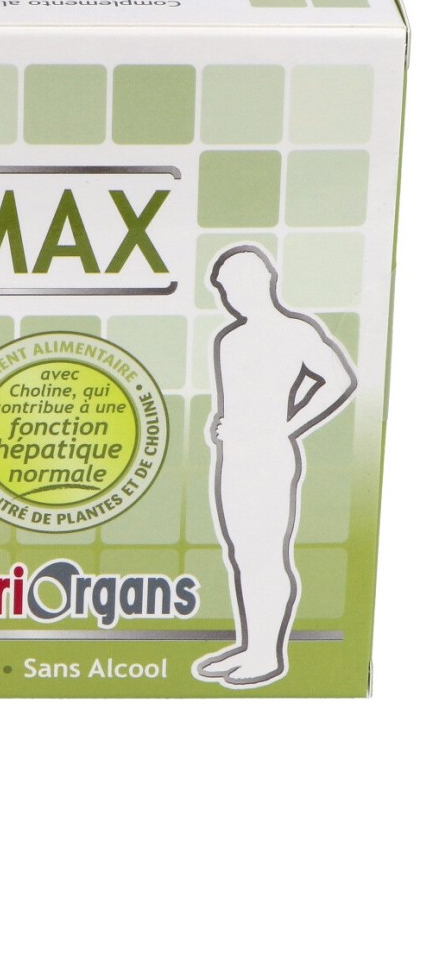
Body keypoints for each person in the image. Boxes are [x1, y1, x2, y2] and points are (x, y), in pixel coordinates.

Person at [195, 246, 356, 688]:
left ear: (262, 280)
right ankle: (251, 645)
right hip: (234, 457)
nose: (229, 298)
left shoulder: (295, 332)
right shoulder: (230, 340)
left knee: (266, 553)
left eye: (233, 288)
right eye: (223, 291)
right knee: (242, 553)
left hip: (268, 456)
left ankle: (267, 654)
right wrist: (222, 424)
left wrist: (286, 427)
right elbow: (238, 398)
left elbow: (339, 379)